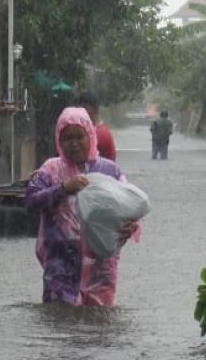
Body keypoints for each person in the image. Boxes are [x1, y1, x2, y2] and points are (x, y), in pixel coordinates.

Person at [25, 107, 139, 306]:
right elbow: (31, 200)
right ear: (59, 141)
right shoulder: (51, 169)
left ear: (91, 135)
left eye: (80, 137)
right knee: (60, 321)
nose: (74, 144)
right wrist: (63, 189)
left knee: (99, 325)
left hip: (101, 268)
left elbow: (130, 205)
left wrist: (130, 227)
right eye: (67, 138)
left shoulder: (109, 171)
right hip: (61, 266)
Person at [77, 91, 117, 161]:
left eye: (84, 108)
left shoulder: (99, 134)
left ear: (94, 109)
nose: (81, 113)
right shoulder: (94, 130)